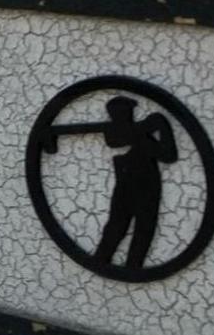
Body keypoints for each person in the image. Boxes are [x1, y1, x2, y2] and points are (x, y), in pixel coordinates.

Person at [44, 96, 178, 270]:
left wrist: (161, 126)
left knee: (142, 230)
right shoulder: (137, 136)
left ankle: (131, 268)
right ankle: (105, 263)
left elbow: (169, 155)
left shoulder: (144, 140)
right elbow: (115, 140)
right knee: (117, 228)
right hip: (127, 185)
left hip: (146, 185)